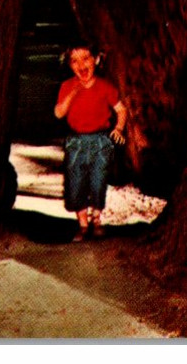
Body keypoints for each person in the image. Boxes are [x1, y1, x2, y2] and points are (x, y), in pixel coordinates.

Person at [54, 43, 127, 241]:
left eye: (86, 59)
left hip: (100, 140)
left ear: (96, 60)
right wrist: (73, 93)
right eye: (74, 61)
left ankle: (96, 219)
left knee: (98, 181)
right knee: (76, 182)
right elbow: (59, 113)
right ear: (69, 65)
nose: (81, 65)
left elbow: (121, 110)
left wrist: (118, 128)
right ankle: (82, 226)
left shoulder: (104, 87)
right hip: (76, 142)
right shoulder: (67, 86)